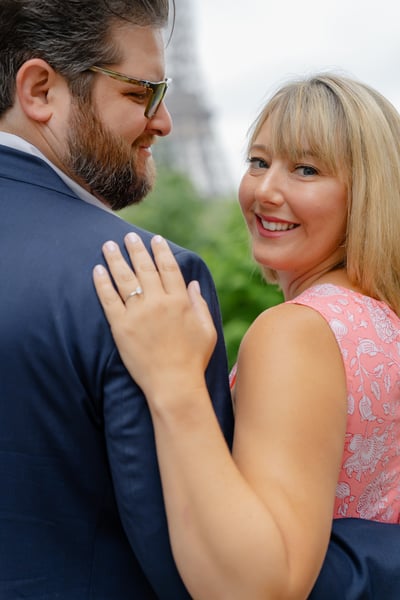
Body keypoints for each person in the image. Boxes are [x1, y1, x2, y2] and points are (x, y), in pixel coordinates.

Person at [93, 73, 400, 599]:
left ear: (367, 193)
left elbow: (261, 588)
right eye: (258, 162)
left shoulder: (298, 333)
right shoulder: (381, 322)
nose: (265, 190)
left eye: (305, 169)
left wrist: (174, 381)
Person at [0, 1, 235, 598]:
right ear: (39, 90)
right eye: (141, 94)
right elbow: (202, 569)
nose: (164, 122)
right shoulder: (144, 279)